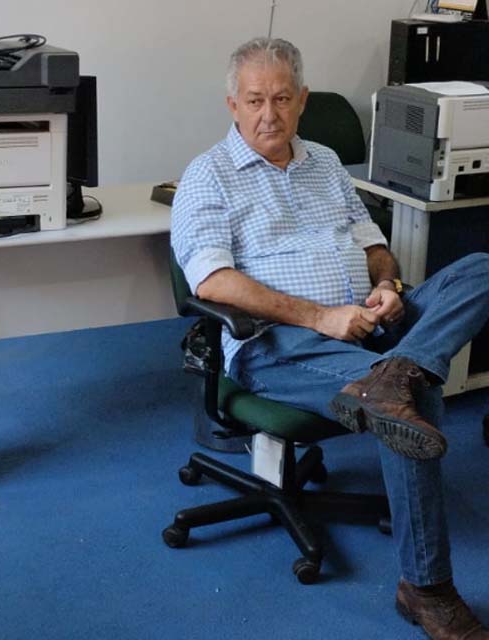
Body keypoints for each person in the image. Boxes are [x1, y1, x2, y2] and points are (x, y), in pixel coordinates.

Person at [171, 37, 489, 640]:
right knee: (408, 405)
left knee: (479, 269)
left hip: (371, 327)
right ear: (232, 105)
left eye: (283, 98)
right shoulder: (207, 177)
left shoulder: (323, 163)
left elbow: (373, 245)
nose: (270, 114)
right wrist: (320, 317)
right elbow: (212, 280)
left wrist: (389, 285)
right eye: (256, 100)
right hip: (281, 344)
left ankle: (397, 370)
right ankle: (426, 590)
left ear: (303, 101)